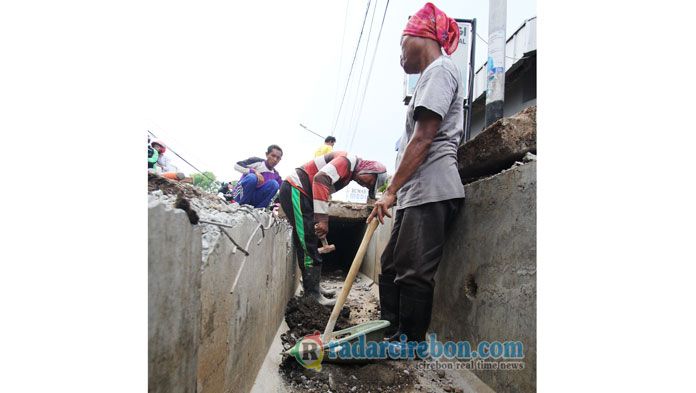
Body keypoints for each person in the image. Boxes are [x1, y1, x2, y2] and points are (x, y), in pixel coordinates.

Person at [367, 2, 465, 348]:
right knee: (391, 265)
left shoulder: (440, 70)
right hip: (415, 192)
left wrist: (390, 190)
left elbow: (424, 138)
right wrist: (397, 191)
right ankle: (391, 331)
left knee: (413, 271)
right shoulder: (429, 77)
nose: (400, 55)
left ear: (419, 37)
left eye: (401, 44)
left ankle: (410, 344)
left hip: (432, 189)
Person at [279, 151, 388, 306]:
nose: (365, 185)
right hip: (296, 190)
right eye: (370, 182)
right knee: (307, 240)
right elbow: (320, 179)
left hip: (303, 194)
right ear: (370, 170)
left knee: (310, 238)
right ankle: (312, 294)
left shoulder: (349, 171)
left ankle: (314, 287)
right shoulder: (348, 161)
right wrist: (322, 219)